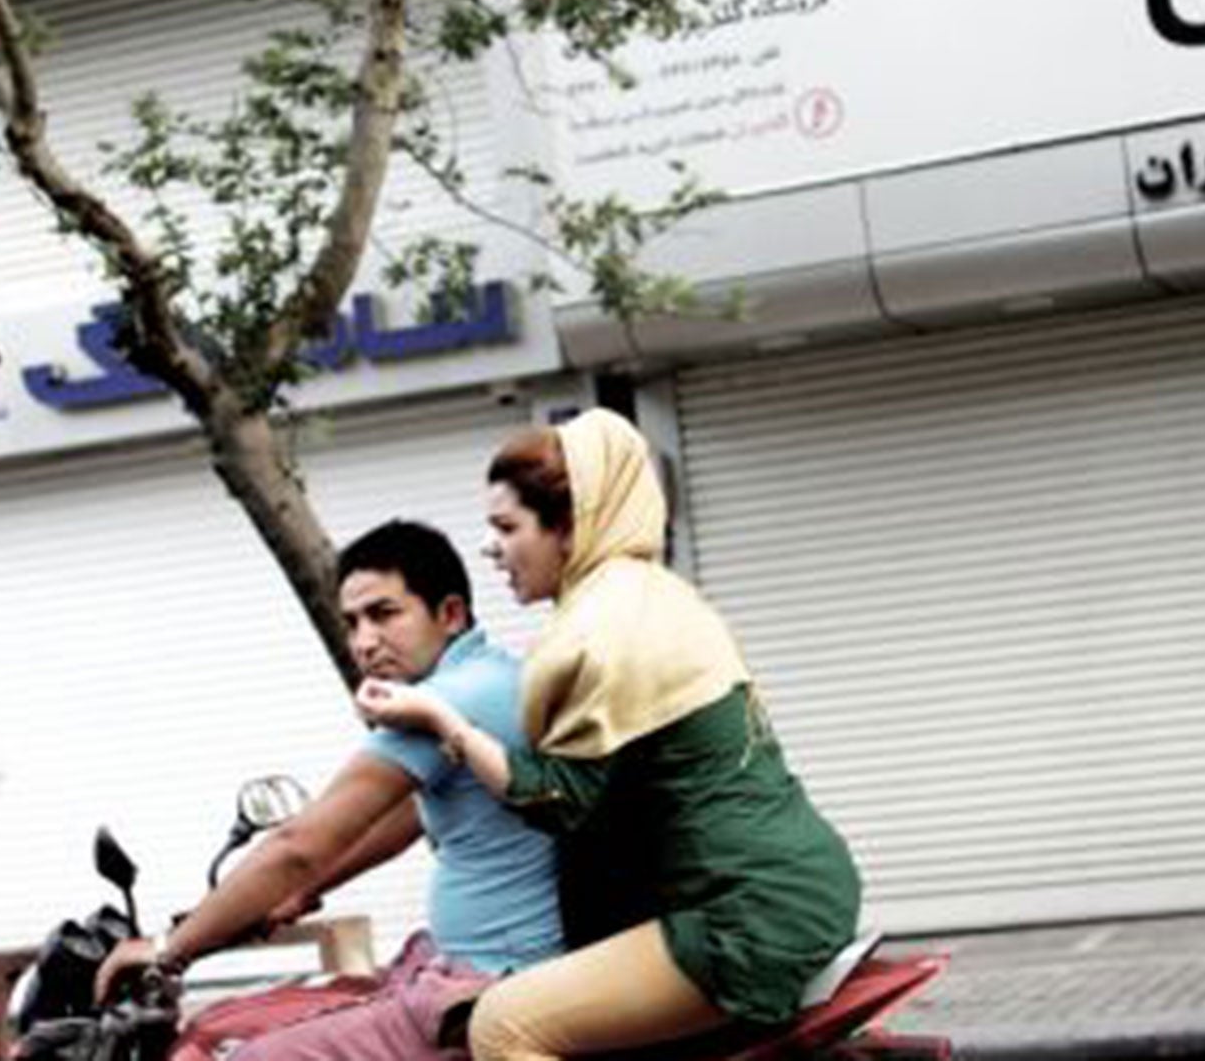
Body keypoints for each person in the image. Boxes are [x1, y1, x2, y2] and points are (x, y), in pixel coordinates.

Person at [356, 408, 861, 1061]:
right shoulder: (652, 595)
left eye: (506, 527)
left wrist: (441, 719)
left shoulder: (598, 628)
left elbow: (559, 800)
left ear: (571, 525)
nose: (490, 548)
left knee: (503, 1027)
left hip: (738, 918)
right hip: (786, 889)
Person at [95, 519, 565, 1061]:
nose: (365, 642)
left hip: (486, 984)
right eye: (352, 623)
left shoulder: (445, 702)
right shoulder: (491, 676)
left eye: (385, 615)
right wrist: (303, 891)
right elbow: (403, 820)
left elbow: (298, 845)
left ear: (451, 614)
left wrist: (166, 951)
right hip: (482, 967)